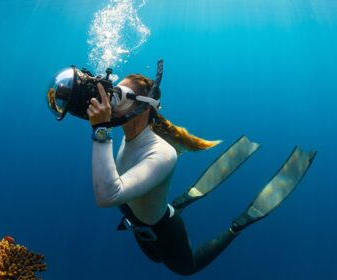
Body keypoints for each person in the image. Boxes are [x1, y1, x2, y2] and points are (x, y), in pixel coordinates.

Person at [86, 72, 316, 276]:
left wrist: (101, 130)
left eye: (118, 94)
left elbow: (108, 195)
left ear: (143, 106)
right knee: (155, 259)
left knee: (187, 269)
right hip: (135, 218)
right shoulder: (128, 137)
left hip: (163, 229)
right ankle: (179, 202)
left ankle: (237, 225)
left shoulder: (163, 154)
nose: (109, 100)